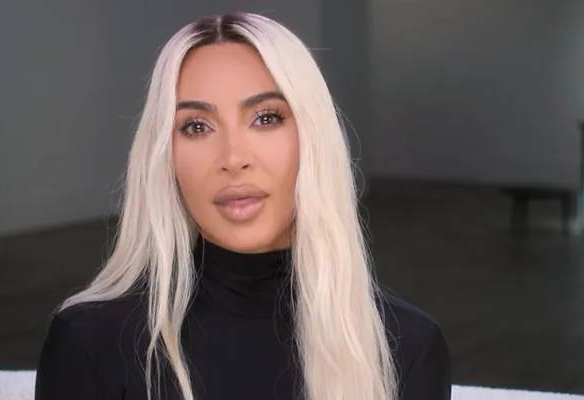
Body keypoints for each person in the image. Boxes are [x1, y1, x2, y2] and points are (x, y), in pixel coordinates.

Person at [34, 11, 451, 400]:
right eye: (197, 126)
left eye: (266, 118)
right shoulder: (90, 342)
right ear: (164, 156)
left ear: (313, 138)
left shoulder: (406, 349)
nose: (233, 158)